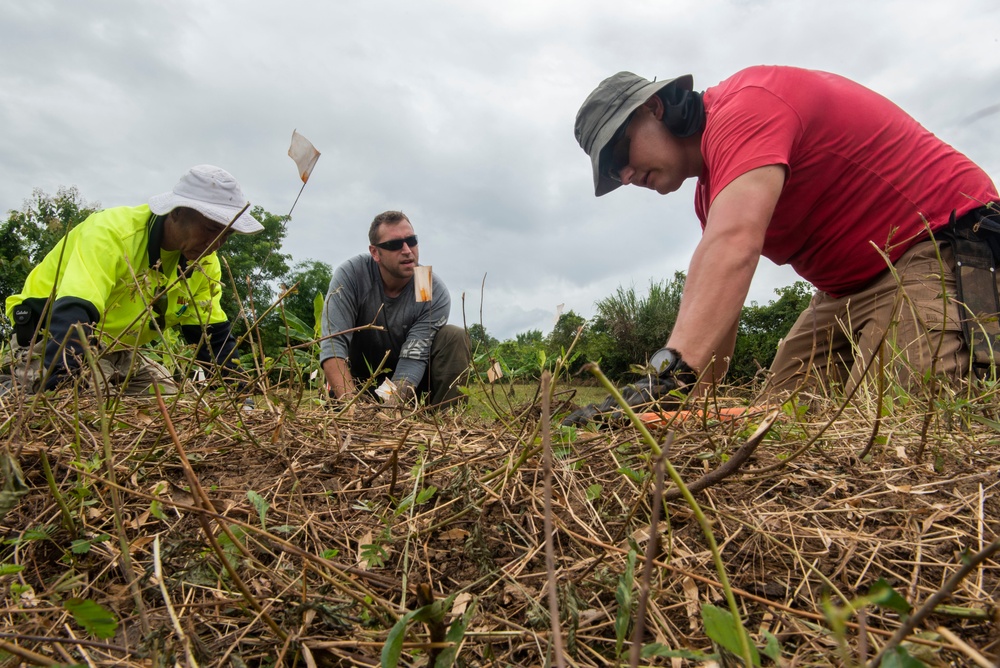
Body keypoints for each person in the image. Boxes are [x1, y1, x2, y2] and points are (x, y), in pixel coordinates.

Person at [567, 65, 999, 424]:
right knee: (779, 424)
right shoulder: (710, 194)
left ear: (655, 108)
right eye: (611, 171)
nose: (623, 175)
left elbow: (734, 246)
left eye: (619, 152)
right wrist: (671, 413)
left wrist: (667, 379)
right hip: (843, 291)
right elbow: (719, 308)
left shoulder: (746, 108)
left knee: (890, 430)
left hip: (936, 243)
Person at [4, 164, 263, 396]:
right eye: (209, 230)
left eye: (226, 236)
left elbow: (212, 337)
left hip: (121, 353)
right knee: (88, 402)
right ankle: (13, 386)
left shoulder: (205, 262)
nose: (215, 244)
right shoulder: (112, 233)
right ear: (176, 213)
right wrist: (65, 390)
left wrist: (239, 396)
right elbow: (73, 314)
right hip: (53, 338)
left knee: (176, 405)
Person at [319, 210, 471, 408]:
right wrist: (353, 408)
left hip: (408, 388)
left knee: (454, 336)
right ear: (375, 253)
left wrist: (390, 411)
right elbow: (333, 345)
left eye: (412, 240)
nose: (407, 250)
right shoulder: (352, 275)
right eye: (394, 245)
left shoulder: (429, 288)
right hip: (355, 385)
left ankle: (445, 426)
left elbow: (413, 358)